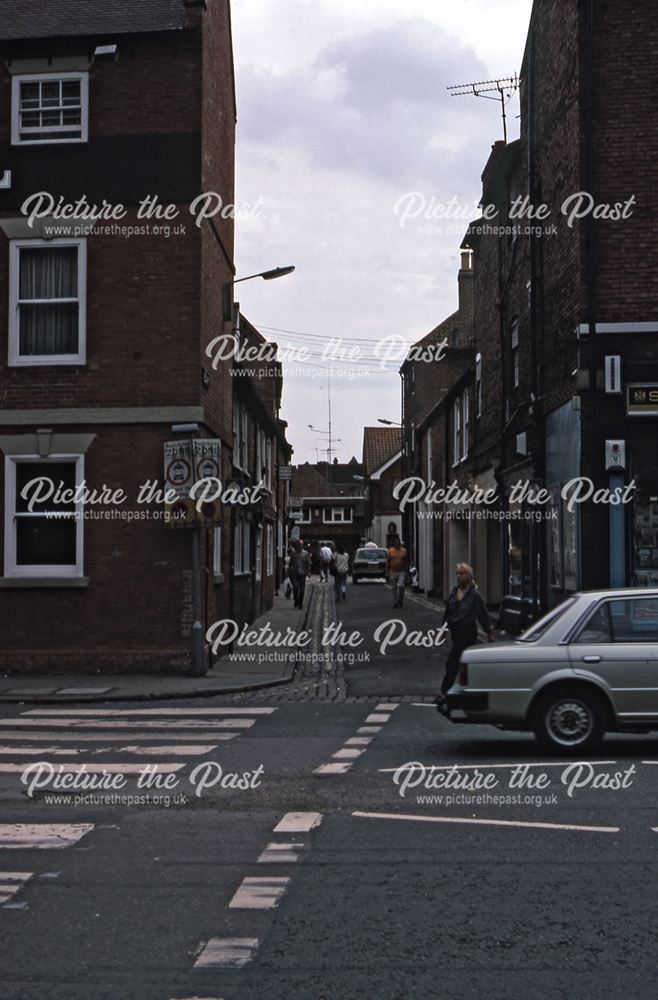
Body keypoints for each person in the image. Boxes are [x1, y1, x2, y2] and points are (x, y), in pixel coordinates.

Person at [436, 562, 495, 711]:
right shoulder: (453, 592)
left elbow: (483, 614)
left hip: (468, 632)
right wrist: (443, 630)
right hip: (456, 632)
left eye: (461, 573)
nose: (458, 576)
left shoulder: (474, 595)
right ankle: (469, 693)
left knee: (452, 662)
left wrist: (490, 632)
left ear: (468, 576)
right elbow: (448, 613)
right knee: (465, 664)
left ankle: (445, 692)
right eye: (457, 573)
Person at [386, 535, 408, 608]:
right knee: (394, 588)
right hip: (392, 571)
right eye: (395, 542)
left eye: (398, 542)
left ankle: (400, 600)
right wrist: (387, 572)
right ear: (394, 543)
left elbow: (406, 561)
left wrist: (406, 571)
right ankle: (395, 602)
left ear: (399, 542)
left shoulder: (404, 551)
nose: (397, 543)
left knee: (401, 586)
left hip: (401, 571)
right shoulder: (390, 551)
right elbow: (388, 562)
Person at [288, 540, 311, 609]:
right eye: (299, 545)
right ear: (297, 546)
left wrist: (309, 571)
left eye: (301, 545)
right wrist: (289, 571)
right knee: (295, 587)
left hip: (303, 573)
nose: (300, 546)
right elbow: (290, 564)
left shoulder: (305, 553)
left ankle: (300, 603)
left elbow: (308, 563)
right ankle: (296, 599)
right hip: (295, 573)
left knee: (302, 590)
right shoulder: (293, 553)